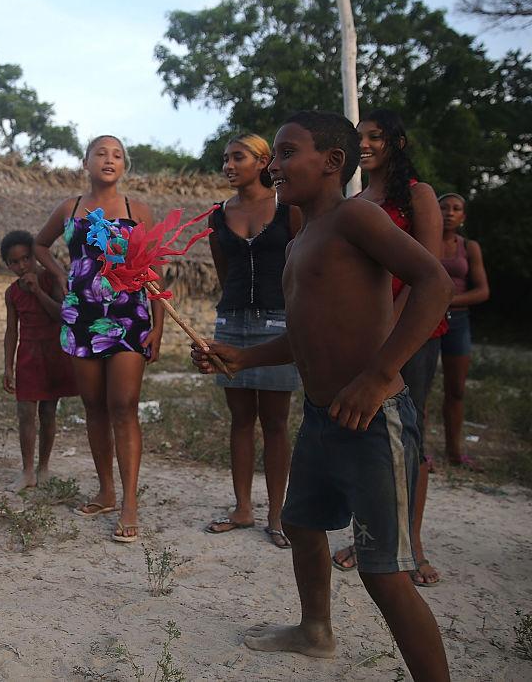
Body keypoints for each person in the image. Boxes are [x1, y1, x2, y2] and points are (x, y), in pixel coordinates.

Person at [192, 111, 452, 680]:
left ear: (333, 162)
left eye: (286, 153)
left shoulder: (356, 217)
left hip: (373, 416)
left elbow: (435, 282)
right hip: (323, 414)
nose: (274, 165)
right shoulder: (302, 235)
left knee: (384, 572)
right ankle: (315, 630)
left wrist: (380, 374)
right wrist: (245, 356)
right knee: (303, 523)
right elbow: (307, 333)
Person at [333, 110, 446, 588]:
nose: (364, 143)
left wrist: (390, 333)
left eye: (374, 136)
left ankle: (411, 544)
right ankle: (369, 537)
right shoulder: (357, 201)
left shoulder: (417, 196)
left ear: (395, 143)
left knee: (409, 435)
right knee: (369, 436)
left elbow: (429, 272)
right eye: (359, 137)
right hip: (366, 336)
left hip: (411, 335)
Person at [34, 135, 164, 543]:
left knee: (123, 405)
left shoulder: (136, 210)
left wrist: (158, 325)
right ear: (85, 162)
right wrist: (61, 276)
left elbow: (155, 269)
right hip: (82, 316)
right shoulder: (69, 208)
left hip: (129, 316)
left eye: (118, 155)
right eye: (101, 153)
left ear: (124, 165)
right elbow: (40, 244)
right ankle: (106, 491)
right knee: (93, 406)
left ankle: (129, 503)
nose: (109, 160)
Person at [205, 133, 302, 549]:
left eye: (238, 157)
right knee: (240, 418)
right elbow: (223, 270)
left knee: (276, 422)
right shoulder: (218, 215)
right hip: (231, 322)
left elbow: (301, 264)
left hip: (280, 321)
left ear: (263, 161)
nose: (228, 165)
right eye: (225, 158)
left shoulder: (289, 210)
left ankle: (277, 515)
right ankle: (243, 508)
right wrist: (234, 313)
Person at [1, 230, 79, 491]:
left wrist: (37, 292)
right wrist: (7, 366)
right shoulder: (12, 293)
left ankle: (43, 467)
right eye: (15, 262)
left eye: (26, 258)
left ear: (35, 257)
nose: (21, 265)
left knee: (48, 412)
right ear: (8, 265)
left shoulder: (52, 279)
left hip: (54, 353)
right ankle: (27, 471)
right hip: (28, 355)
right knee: (25, 413)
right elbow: (11, 331)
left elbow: (62, 315)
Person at [438, 193, 490, 470]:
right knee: (417, 389)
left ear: (463, 217)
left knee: (456, 389)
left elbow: (482, 290)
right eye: (443, 207)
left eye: (456, 209)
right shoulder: (425, 239)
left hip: (458, 321)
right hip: (427, 320)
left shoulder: (469, 247)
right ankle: (420, 452)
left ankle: (454, 451)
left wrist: (448, 300)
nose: (449, 213)